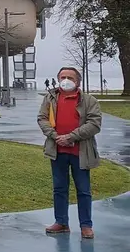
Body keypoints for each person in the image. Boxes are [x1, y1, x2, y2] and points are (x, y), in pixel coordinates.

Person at [38, 67, 102, 239]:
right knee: (59, 189)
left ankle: (86, 225)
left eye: (70, 77)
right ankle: (61, 222)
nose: (66, 80)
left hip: (80, 152)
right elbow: (42, 118)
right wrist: (55, 136)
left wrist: (72, 137)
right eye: (62, 77)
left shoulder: (89, 100)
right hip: (57, 151)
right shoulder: (50, 98)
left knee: (83, 190)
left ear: (78, 81)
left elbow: (94, 123)